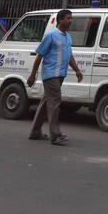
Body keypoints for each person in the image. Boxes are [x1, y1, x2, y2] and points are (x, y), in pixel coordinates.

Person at [27, 9, 83, 146]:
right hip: (51, 74)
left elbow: (69, 55)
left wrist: (77, 70)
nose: (70, 21)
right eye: (68, 18)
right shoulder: (50, 35)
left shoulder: (68, 37)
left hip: (61, 74)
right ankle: (55, 135)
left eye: (71, 18)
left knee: (46, 103)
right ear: (60, 20)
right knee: (55, 102)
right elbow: (39, 55)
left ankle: (35, 132)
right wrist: (32, 74)